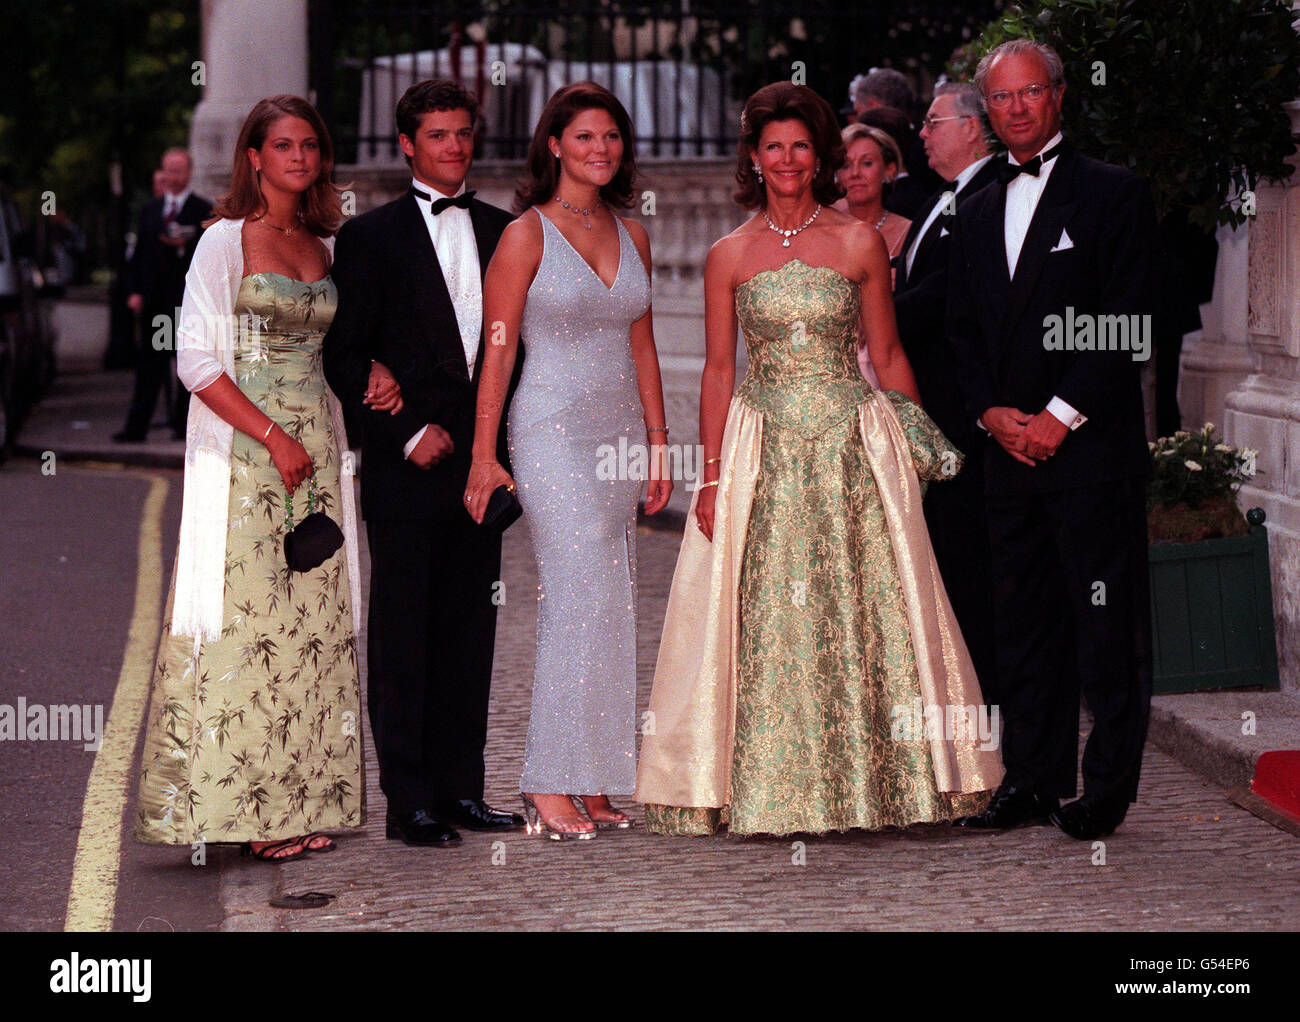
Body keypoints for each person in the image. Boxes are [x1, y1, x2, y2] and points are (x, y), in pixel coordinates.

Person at [635, 82, 1002, 837]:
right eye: (774, 146)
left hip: (851, 449)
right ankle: (770, 787)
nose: (788, 159)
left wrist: (916, 448)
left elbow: (888, 353)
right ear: (755, 158)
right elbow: (716, 372)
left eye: (801, 144)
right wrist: (709, 476)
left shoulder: (859, 242)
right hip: (762, 452)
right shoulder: (727, 253)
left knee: (868, 613)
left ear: (820, 154)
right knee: (769, 616)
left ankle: (885, 785)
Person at [135, 96, 395, 861]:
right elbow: (196, 362)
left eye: (310, 145)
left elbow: (342, 347)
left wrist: (373, 372)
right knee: (247, 627)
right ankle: (245, 809)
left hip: (318, 442)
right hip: (249, 449)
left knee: (310, 626)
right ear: (254, 155)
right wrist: (273, 438)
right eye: (282, 145)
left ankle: (304, 800)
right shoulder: (222, 241)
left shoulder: (326, 243)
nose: (299, 158)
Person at [945, 41, 1156, 840]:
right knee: (1022, 624)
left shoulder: (1114, 193)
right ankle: (1031, 780)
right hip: (1006, 454)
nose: (1018, 108)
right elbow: (962, 327)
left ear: (1060, 96)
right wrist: (990, 413)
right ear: (987, 111)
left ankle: (1107, 790)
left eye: (1032, 92)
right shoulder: (973, 202)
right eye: (1002, 98)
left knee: (1105, 625)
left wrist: (1058, 415)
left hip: (1088, 452)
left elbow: (1128, 319)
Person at [465, 82, 672, 840]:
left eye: (612, 137)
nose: (601, 149)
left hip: (619, 433)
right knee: (576, 590)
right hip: (549, 429)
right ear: (553, 144)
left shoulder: (633, 233)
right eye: (585, 136)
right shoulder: (526, 234)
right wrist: (483, 453)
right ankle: (546, 780)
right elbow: (498, 347)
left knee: (611, 598)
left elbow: (642, 346)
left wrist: (658, 442)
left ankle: (594, 776)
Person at [322, 79, 525, 848]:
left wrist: (496, 450)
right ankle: (408, 800)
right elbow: (344, 353)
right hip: (407, 466)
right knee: (404, 633)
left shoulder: (508, 231)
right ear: (407, 143)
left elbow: (516, 352)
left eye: (464, 133)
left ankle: (461, 790)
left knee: (471, 631)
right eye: (438, 135)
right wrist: (406, 430)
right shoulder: (369, 237)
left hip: (482, 465)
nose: (454, 147)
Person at [893, 81, 999, 702]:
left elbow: (943, 297)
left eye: (933, 123)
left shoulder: (987, 193)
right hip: (932, 407)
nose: (923, 134)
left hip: (961, 413)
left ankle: (980, 706)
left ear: (971, 127)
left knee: (967, 567)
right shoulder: (944, 197)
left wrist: (867, 313)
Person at [115, 148, 212, 442]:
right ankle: (136, 429)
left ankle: (184, 429)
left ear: (189, 173)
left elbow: (209, 257)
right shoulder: (151, 209)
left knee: (188, 366)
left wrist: (183, 243)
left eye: (178, 170)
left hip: (187, 305)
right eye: (168, 170)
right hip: (155, 305)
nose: (172, 176)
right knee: (149, 368)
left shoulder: (203, 211)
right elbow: (139, 255)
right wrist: (133, 291)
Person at [848, 70, 941, 217]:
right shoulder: (933, 148)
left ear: (874, 106)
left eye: (858, 112)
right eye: (846, 165)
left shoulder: (931, 154)